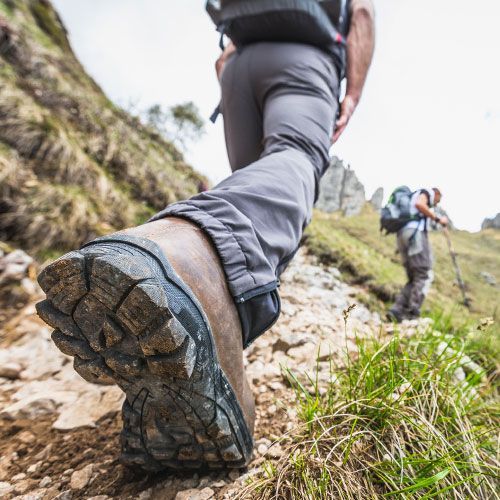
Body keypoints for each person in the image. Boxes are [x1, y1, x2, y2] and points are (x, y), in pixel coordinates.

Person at [36, 1, 375, 472]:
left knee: (254, 178)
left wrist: (234, 70)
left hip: (237, 68)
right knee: (295, 159)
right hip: (307, 57)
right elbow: (360, 13)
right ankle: (191, 261)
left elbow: (222, 55)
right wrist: (352, 91)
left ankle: (209, 337)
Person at [388, 188, 448, 322]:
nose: (436, 203)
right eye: (438, 200)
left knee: (413, 277)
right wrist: (438, 219)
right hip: (415, 235)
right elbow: (420, 205)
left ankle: (397, 310)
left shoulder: (412, 198)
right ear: (436, 193)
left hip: (402, 236)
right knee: (423, 273)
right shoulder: (427, 193)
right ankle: (412, 312)